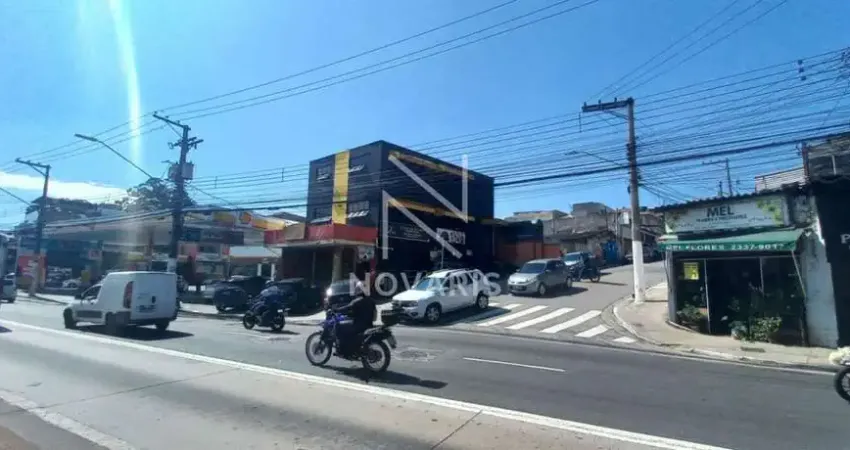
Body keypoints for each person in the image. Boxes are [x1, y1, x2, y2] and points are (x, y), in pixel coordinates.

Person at [332, 281, 376, 357]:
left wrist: (336, 310)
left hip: (358, 325)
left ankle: (341, 350)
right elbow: (374, 314)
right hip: (369, 325)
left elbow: (347, 307)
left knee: (338, 326)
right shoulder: (371, 300)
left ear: (358, 290)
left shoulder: (357, 301)